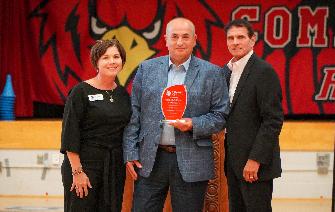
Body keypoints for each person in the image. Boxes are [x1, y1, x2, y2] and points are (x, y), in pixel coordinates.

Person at [123, 17, 229, 212]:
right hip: (150, 159)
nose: (180, 42)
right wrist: (130, 152)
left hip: (193, 159)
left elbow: (220, 116)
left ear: (195, 39)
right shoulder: (146, 69)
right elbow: (134, 112)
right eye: (175, 37)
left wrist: (193, 124)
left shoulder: (213, 73)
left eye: (185, 37)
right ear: (166, 39)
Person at [60, 39, 131, 212]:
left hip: (114, 167)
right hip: (84, 166)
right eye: (105, 57)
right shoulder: (80, 91)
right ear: (96, 62)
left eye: (116, 56)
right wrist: (78, 172)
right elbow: (70, 133)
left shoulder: (122, 93)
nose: (112, 61)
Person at [223, 19, 284, 212]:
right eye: (230, 38)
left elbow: (272, 120)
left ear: (252, 40)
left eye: (240, 37)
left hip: (254, 166)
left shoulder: (264, 71)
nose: (235, 42)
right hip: (232, 163)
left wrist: (255, 159)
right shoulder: (225, 72)